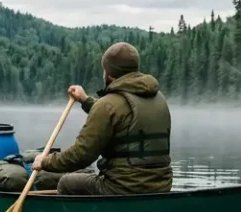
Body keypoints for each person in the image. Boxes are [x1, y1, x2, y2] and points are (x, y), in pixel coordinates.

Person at [31, 41, 172, 195]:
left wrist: (45, 161)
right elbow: (121, 116)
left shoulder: (107, 105)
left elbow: (81, 155)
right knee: (85, 175)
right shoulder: (159, 98)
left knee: (67, 182)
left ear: (108, 73)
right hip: (161, 185)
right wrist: (85, 100)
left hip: (123, 188)